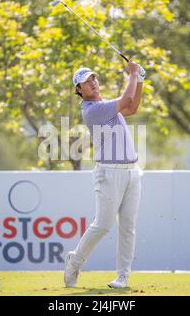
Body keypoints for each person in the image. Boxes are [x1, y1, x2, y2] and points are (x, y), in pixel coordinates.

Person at [64, 61, 145, 288]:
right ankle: (74, 261)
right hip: (109, 173)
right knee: (103, 225)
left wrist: (140, 81)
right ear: (79, 90)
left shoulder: (105, 105)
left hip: (132, 172)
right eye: (86, 82)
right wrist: (133, 74)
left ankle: (123, 277)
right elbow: (126, 100)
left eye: (93, 79)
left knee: (128, 226)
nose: (92, 83)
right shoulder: (92, 110)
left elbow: (133, 107)